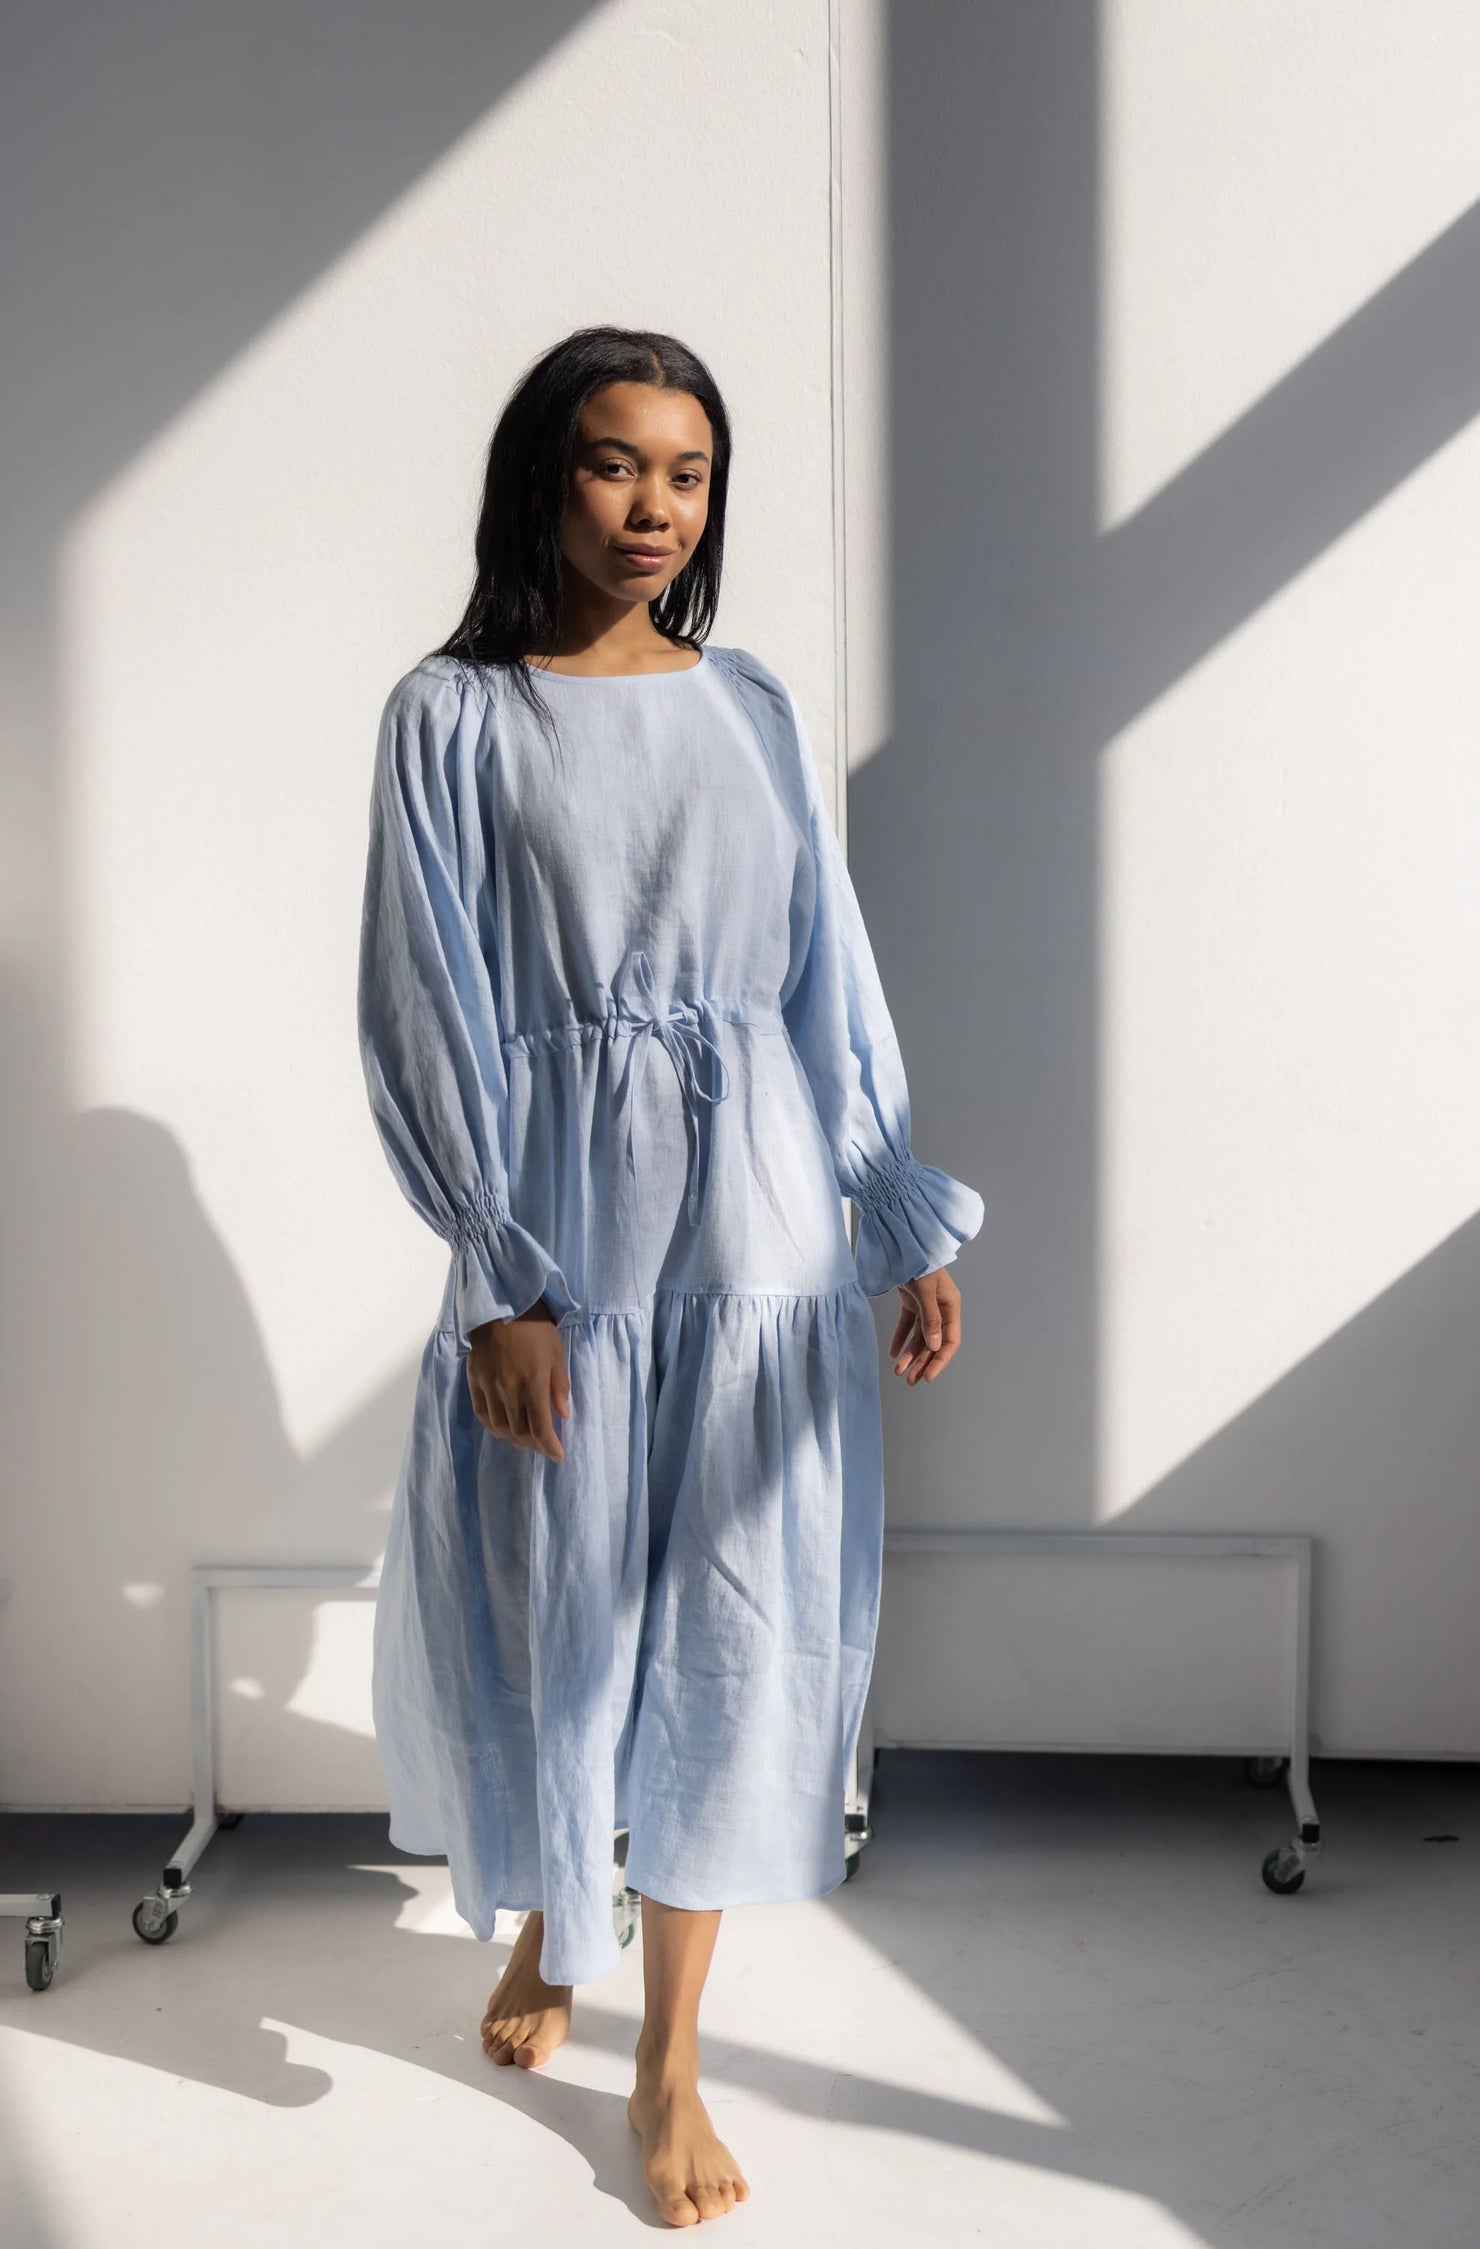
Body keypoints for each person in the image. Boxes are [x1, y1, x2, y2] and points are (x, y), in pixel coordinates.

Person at [356, 325, 984, 2227]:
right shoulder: (454, 716)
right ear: (544, 478)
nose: (655, 509)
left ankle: (673, 2052)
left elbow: (824, 978)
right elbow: (425, 1007)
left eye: (689, 473)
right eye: (616, 465)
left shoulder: (757, 706)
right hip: (571, 1233)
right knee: (560, 1601)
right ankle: (554, 1917)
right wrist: (501, 1279)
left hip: (766, 1232)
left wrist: (886, 1206)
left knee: (729, 1616)